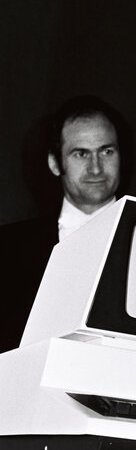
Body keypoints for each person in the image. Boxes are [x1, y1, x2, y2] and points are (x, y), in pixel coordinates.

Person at [0, 95, 127, 354]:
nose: (96, 168)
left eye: (106, 151)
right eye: (81, 154)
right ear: (55, 163)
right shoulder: (8, 247)